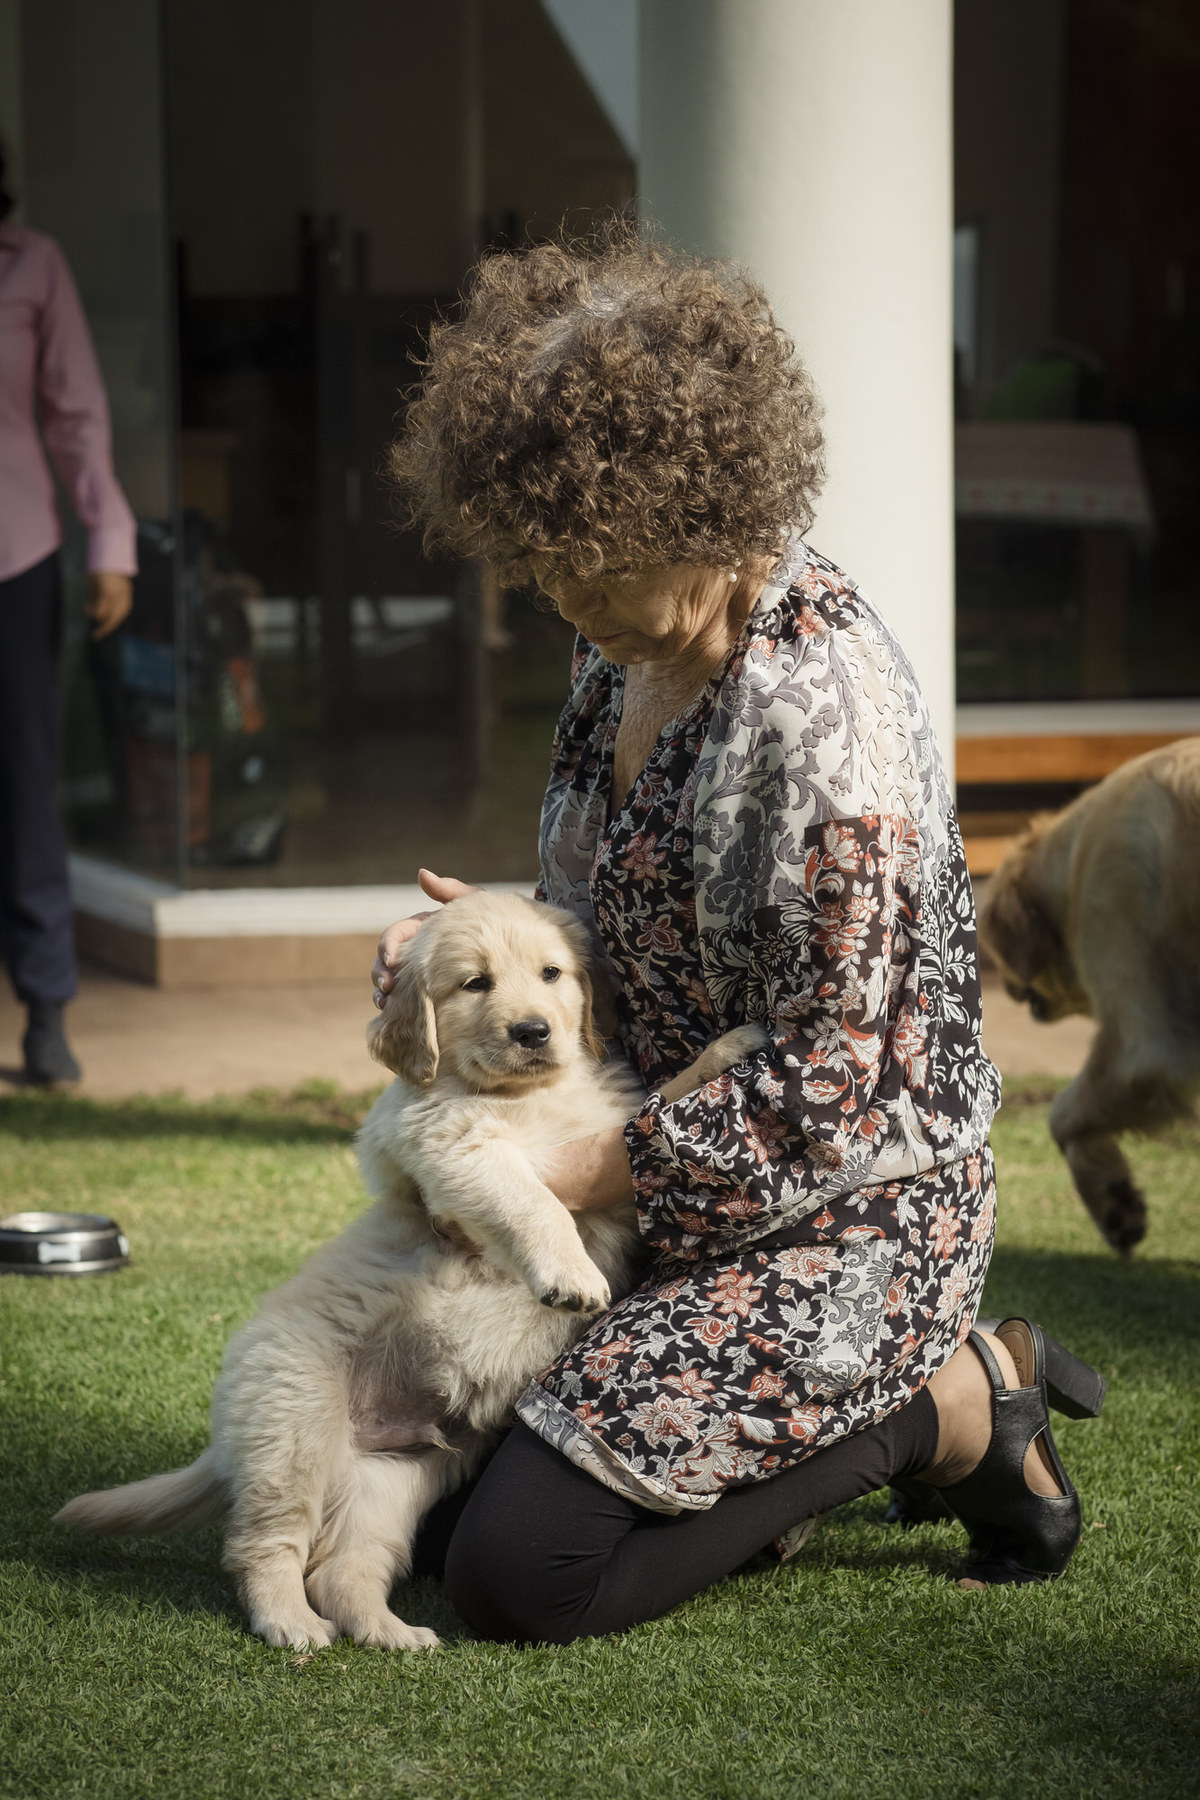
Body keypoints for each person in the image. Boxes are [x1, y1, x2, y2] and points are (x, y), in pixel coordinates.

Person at [372, 233, 1103, 1645]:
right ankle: (799, 1446)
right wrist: (479, 939)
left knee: (516, 1573)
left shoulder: (833, 728)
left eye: (578, 553)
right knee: (428, 1510)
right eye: (535, 550)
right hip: (660, 1182)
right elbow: (608, 917)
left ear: (699, 507)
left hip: (843, 1216)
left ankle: (949, 1399)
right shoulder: (624, 640)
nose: (549, 587)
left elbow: (825, 1094)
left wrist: (566, 1168)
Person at [0, 148, 136, 1084]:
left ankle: (46, 1009)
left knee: (23, 782)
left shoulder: (32, 264)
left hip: (16, 556)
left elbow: (78, 417)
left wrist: (110, 543)